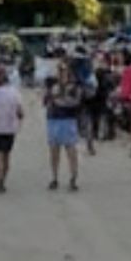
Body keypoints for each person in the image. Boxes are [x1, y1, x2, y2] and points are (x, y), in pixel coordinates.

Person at [43, 61, 86, 191]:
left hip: (68, 119)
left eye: (64, 70)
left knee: (71, 150)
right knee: (54, 151)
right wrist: (52, 97)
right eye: (60, 70)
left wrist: (58, 100)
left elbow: (76, 102)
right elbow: (46, 101)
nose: (62, 73)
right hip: (53, 119)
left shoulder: (75, 87)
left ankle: (73, 177)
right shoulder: (53, 85)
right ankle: (54, 177)